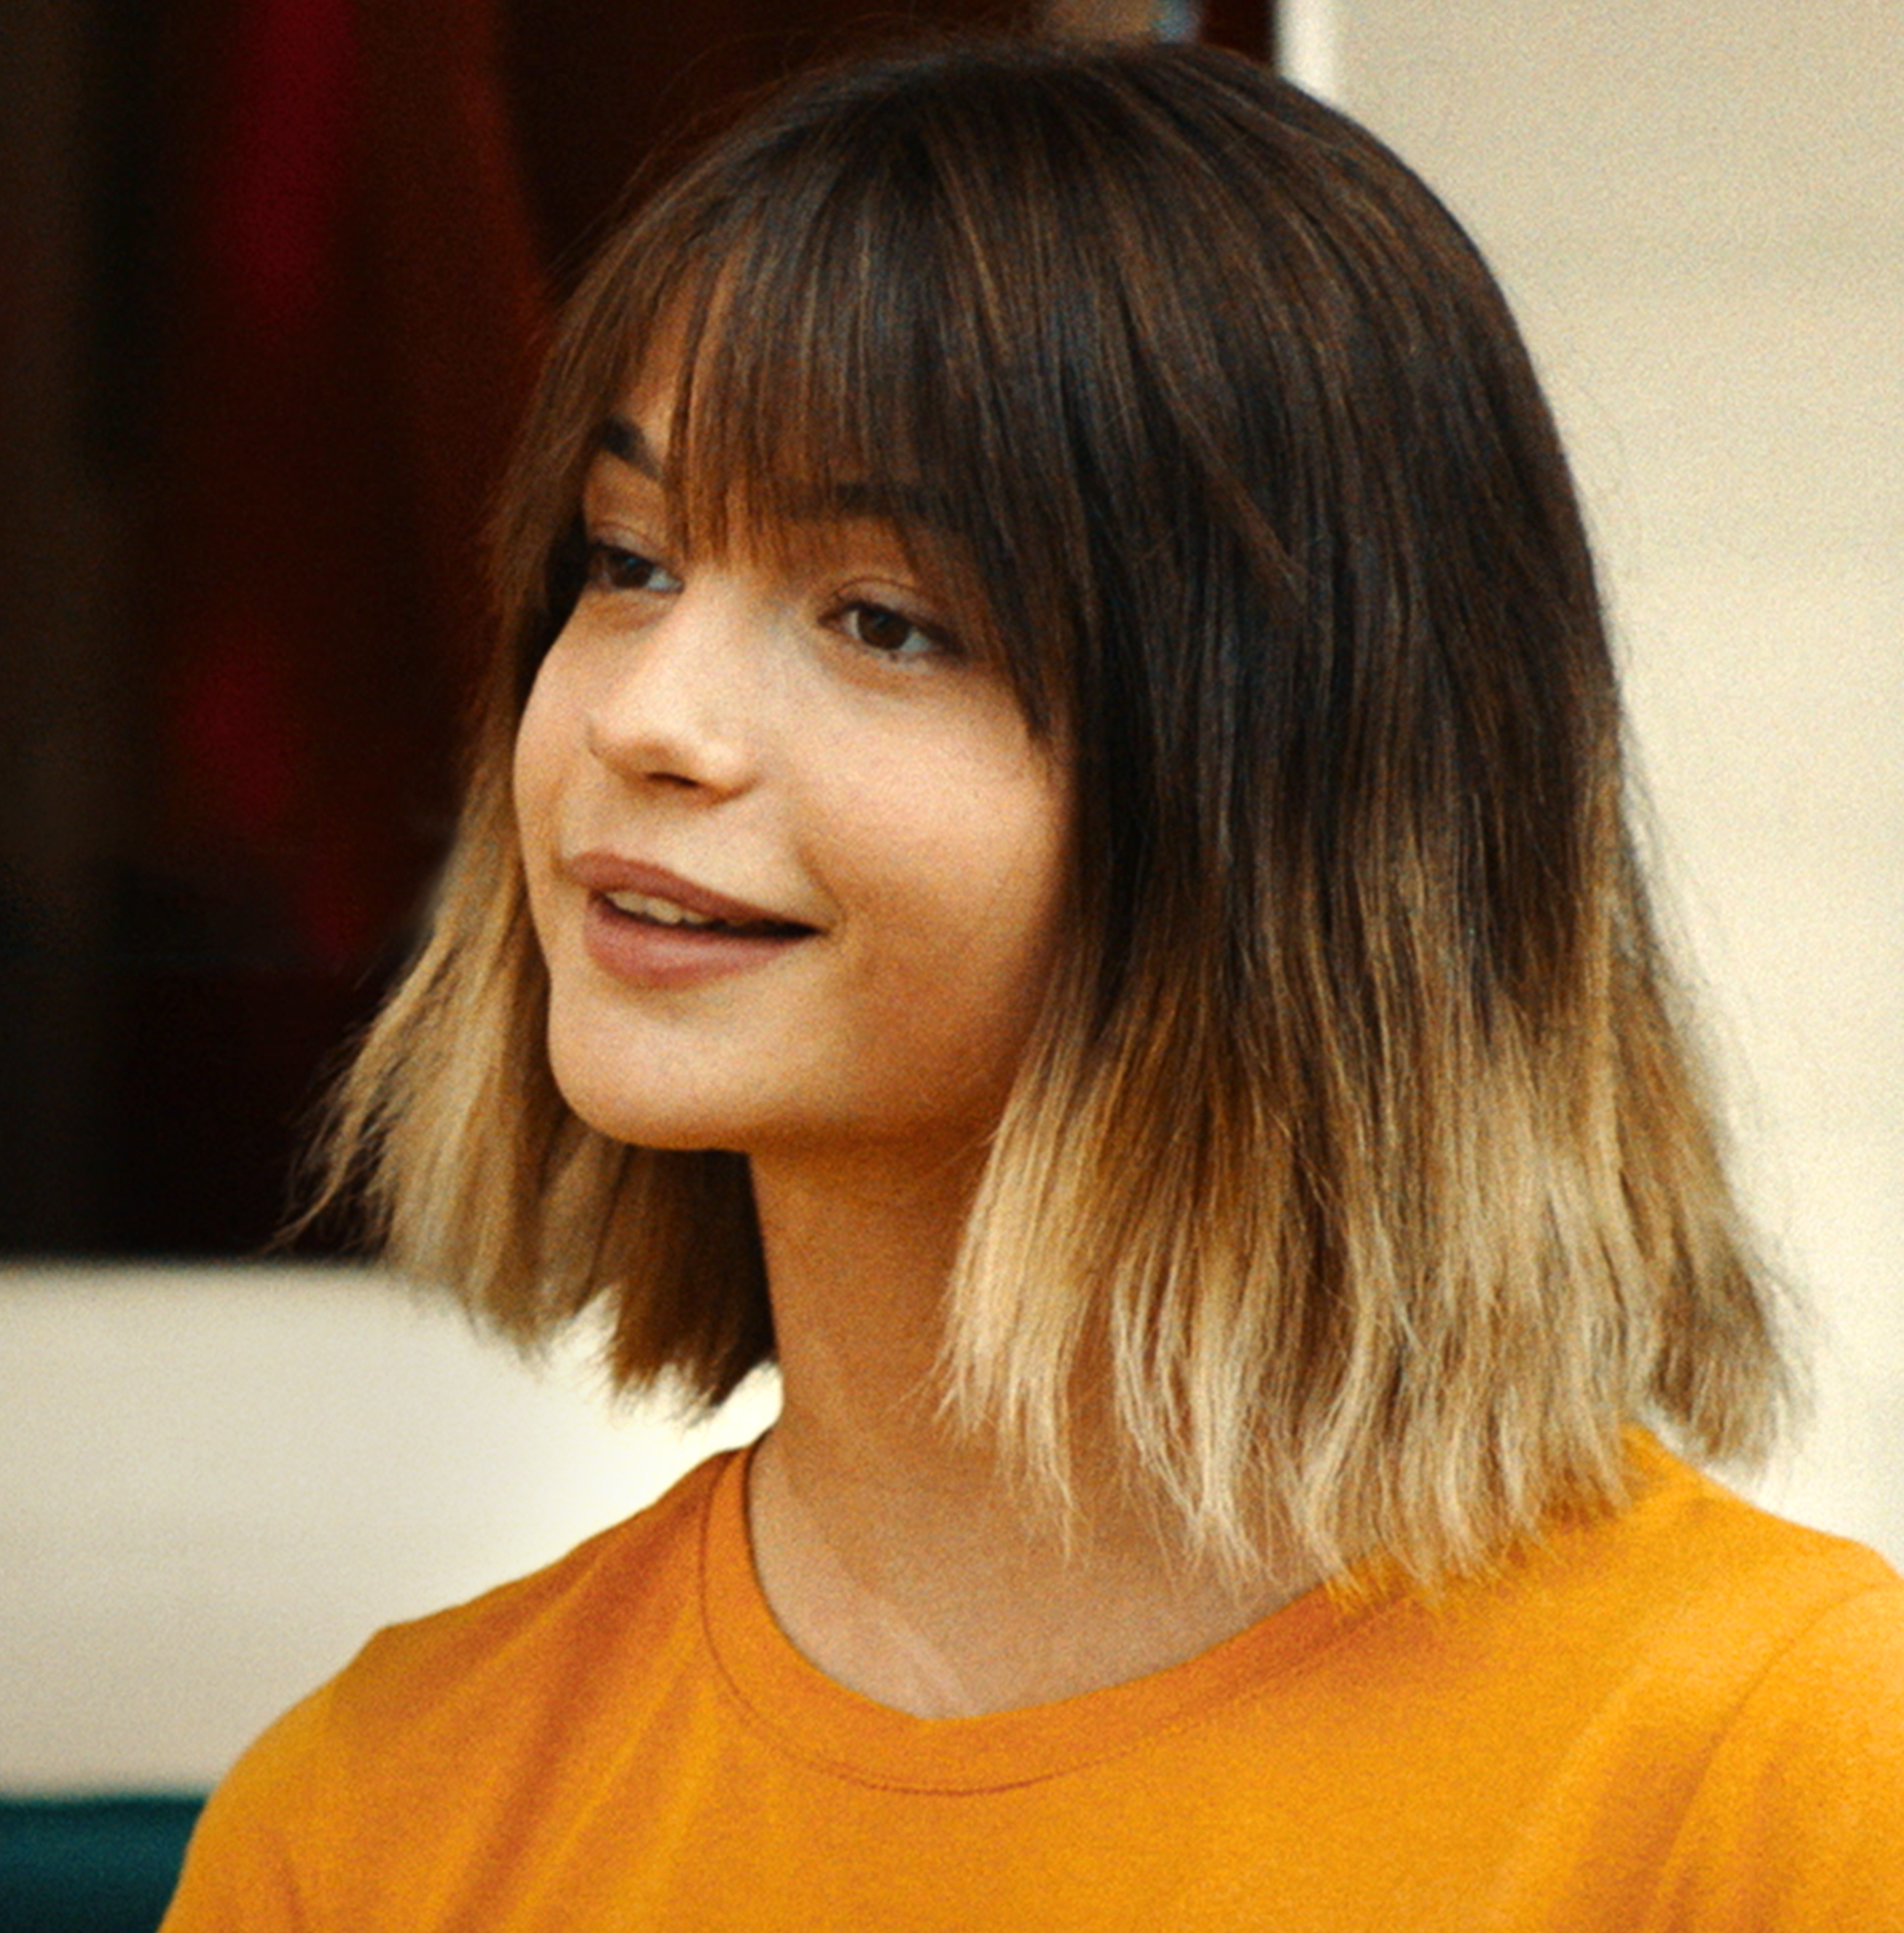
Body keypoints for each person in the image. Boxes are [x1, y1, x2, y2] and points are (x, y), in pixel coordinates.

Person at [161, 36, 1904, 1929]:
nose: (644, 716)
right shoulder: (368, 1826)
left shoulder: (1796, 1781)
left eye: (881, 618)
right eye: (628, 559)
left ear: (1297, 798)